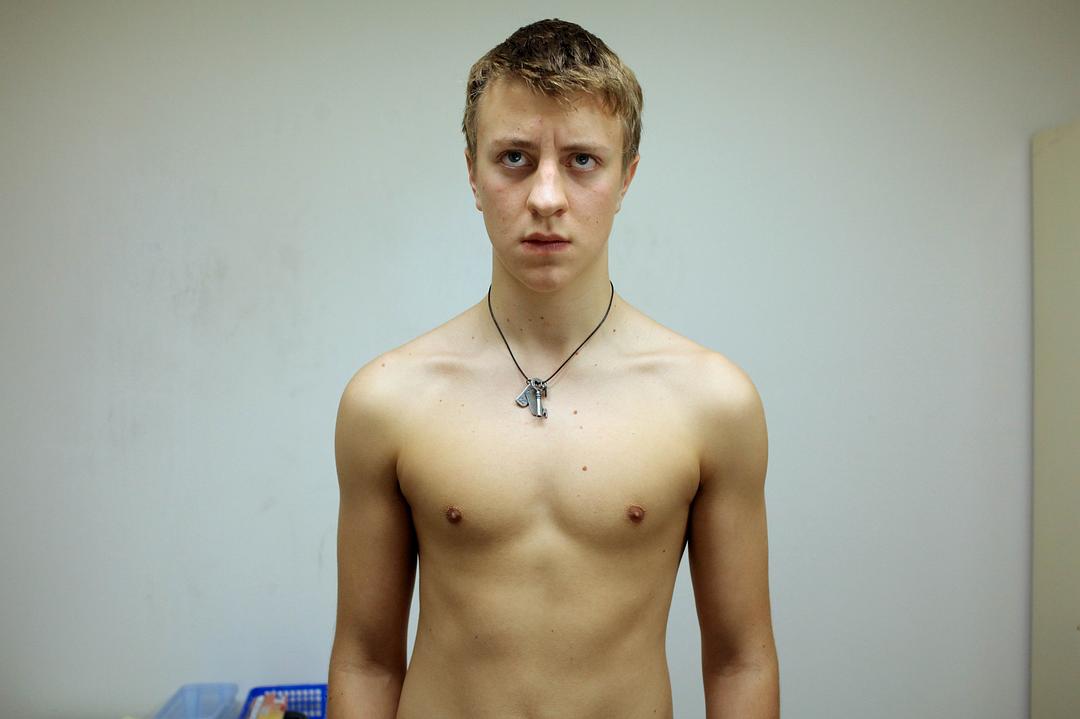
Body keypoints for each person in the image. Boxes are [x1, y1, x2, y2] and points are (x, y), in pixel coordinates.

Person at [327, 18, 778, 719]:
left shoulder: (711, 402)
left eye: (582, 160)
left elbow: (740, 660)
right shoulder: (387, 400)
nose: (545, 197)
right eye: (513, 157)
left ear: (626, 177)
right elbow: (366, 660)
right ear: (473, 173)